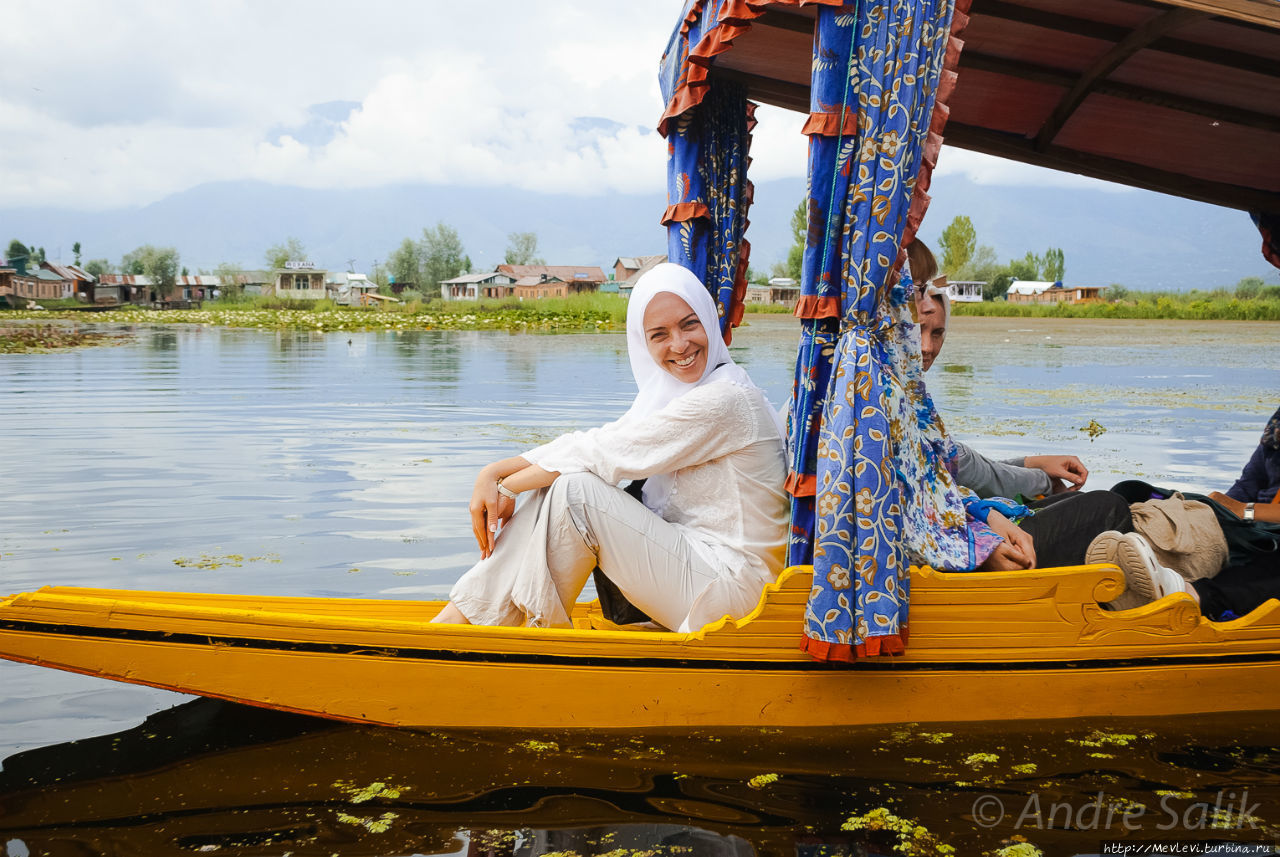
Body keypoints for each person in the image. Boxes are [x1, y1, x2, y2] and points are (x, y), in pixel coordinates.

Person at [431, 263, 789, 633]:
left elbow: (602, 454)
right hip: (701, 568)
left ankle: (516, 631)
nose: (679, 345)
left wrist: (505, 485)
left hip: (738, 591)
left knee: (576, 491)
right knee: (564, 480)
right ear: (642, 343)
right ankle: (481, 615)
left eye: (689, 324)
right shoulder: (678, 396)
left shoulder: (725, 398)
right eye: (659, 334)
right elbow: (596, 442)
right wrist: (494, 472)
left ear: (709, 323)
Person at [908, 242, 1087, 500]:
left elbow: (961, 463)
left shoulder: (911, 393)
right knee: (1102, 505)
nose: (927, 347)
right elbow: (968, 471)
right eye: (916, 330)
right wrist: (1042, 480)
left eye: (937, 333)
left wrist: (1032, 463)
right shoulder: (891, 394)